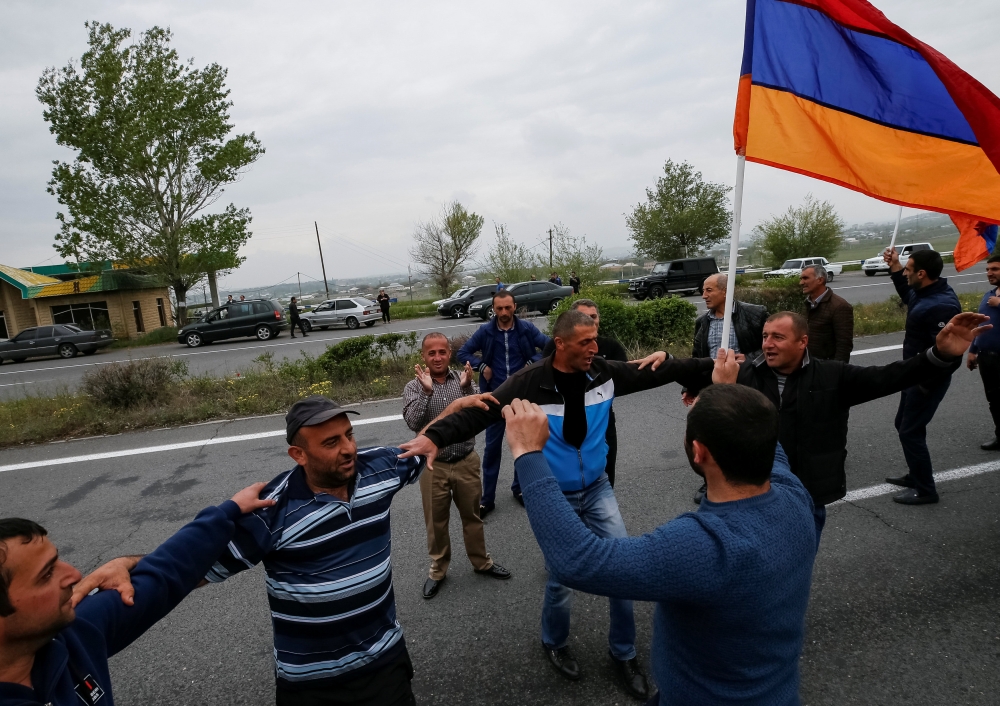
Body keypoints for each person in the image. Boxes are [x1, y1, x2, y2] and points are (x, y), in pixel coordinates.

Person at [402, 310, 711, 700]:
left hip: (598, 489)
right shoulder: (528, 383)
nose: (594, 349)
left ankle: (624, 653)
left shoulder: (603, 372)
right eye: (585, 342)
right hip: (555, 496)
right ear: (561, 344)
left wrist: (714, 364)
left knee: (624, 572)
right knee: (562, 580)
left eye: (595, 340)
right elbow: (479, 414)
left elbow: (665, 371)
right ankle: (554, 641)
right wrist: (435, 438)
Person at [504, 381, 822, 706]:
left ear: (699, 452)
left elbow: (576, 559)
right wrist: (728, 389)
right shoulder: (796, 498)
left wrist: (528, 453)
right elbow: (767, 443)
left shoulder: (704, 547)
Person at [203, 395, 493, 706]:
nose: (349, 448)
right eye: (331, 443)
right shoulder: (270, 511)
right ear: (298, 454)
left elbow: (422, 444)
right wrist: (141, 572)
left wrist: (453, 410)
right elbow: (190, 570)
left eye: (349, 435)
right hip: (311, 684)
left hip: (384, 663)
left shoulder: (378, 469)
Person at [667, 310, 988, 512]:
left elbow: (891, 376)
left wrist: (939, 354)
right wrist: (664, 361)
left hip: (811, 491)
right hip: (757, 489)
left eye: (778, 337)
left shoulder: (834, 376)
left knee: (798, 564)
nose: (767, 344)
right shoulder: (745, 374)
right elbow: (700, 380)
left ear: (803, 341)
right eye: (765, 336)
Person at [0, 485, 275, 706]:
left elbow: (162, 575)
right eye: (46, 575)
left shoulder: (70, 633)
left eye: (58, 561)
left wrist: (228, 511)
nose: (73, 575)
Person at [402, 333, 511, 599]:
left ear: (449, 354)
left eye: (442, 352)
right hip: (432, 466)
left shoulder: (462, 381)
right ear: (423, 357)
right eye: (431, 353)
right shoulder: (414, 387)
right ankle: (438, 571)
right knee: (436, 522)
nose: (437, 357)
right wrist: (427, 393)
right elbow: (414, 424)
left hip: (465, 460)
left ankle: (481, 562)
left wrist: (466, 389)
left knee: (472, 517)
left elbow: (479, 412)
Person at [456, 290, 550, 515]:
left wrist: (531, 362)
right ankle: (487, 499)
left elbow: (548, 347)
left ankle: (519, 489)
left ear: (514, 307)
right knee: (492, 450)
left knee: (523, 445)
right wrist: (481, 366)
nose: (504, 312)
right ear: (493, 309)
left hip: (522, 397)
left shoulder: (526, 329)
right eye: (499, 308)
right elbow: (463, 352)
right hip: (494, 398)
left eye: (508, 307)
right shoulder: (486, 331)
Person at [883, 246, 962, 504]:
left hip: (926, 381)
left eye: (908, 269)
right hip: (913, 375)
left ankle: (926, 490)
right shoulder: (924, 291)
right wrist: (894, 264)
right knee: (903, 425)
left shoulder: (942, 306)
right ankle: (915, 474)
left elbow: (951, 355)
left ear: (923, 273)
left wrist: (926, 385)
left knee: (910, 431)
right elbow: (907, 294)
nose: (905, 273)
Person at [687, 272, 766, 503]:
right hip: (714, 388)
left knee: (748, 432)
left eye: (709, 290)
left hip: (747, 386)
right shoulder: (703, 322)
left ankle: (754, 478)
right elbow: (696, 358)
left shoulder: (754, 314)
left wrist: (748, 358)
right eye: (703, 290)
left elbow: (769, 347)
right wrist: (689, 388)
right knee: (711, 433)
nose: (703, 295)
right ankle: (711, 482)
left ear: (726, 291)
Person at [542, 299, 627, 486]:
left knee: (605, 468)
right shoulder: (554, 347)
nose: (591, 320)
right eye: (584, 317)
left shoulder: (611, 347)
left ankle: (602, 498)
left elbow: (623, 378)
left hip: (601, 419)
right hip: (561, 419)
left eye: (594, 316)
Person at [966, 254, 1000, 450]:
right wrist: (973, 350)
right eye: (988, 269)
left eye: (994, 269)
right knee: (994, 399)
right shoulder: (989, 295)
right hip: (987, 357)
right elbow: (981, 325)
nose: (989, 273)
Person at [800, 264, 853, 362]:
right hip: (808, 364)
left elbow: (844, 345)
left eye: (805, 278)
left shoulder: (840, 306)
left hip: (826, 367)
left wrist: (836, 371)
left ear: (820, 280)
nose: (801, 282)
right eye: (801, 278)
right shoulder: (806, 304)